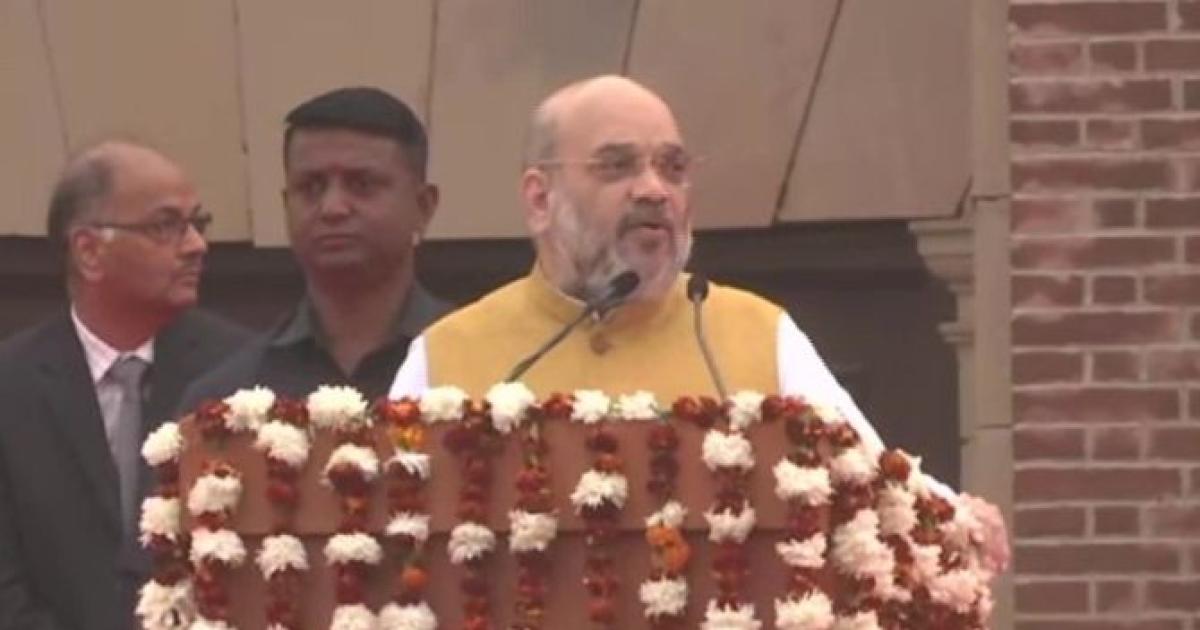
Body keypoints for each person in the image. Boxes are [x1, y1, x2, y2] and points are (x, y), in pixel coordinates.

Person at [389, 74, 1009, 572]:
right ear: (538, 199)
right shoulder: (449, 355)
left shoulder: (755, 334)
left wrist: (952, 519)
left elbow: (879, 488)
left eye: (673, 167)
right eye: (617, 166)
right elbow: (381, 546)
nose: (654, 190)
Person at [0, 141, 250, 629]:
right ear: (89, 251)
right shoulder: (11, 385)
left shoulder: (240, 373)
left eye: (197, 223)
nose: (196, 245)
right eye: (166, 226)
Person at [179, 87, 450, 410]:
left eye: (362, 185)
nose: (332, 208)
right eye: (311, 187)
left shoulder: (481, 366)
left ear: (423, 206)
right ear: (286, 204)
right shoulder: (226, 400)